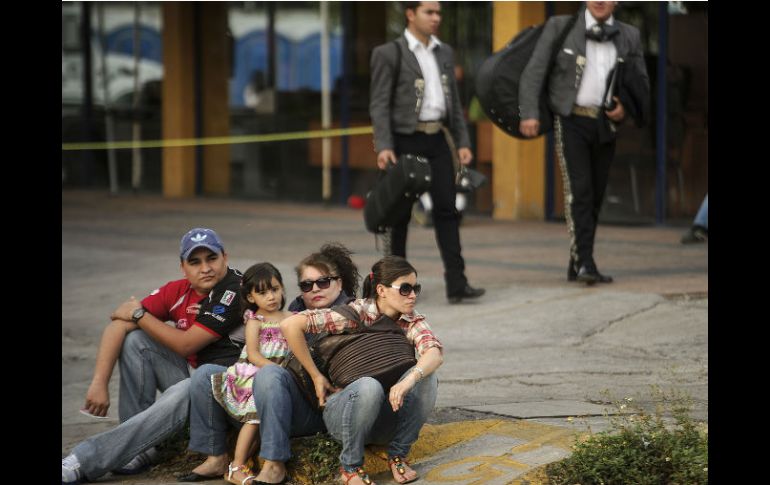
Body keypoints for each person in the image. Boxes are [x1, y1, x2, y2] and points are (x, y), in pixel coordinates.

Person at [62, 228, 244, 485]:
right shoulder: (177, 291)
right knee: (136, 340)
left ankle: (84, 459)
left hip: (230, 393)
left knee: (185, 385)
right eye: (195, 262)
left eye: (211, 259)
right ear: (183, 267)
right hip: (197, 384)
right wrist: (99, 383)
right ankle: (138, 453)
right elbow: (118, 323)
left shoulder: (234, 290)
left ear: (225, 257)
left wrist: (138, 315)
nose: (205, 268)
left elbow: (185, 345)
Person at [180, 242, 360, 483]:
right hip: (267, 397)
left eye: (323, 282)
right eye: (307, 285)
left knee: (269, 376)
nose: (315, 289)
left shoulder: (348, 314)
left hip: (311, 405)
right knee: (205, 375)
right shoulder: (295, 312)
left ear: (339, 283)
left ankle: (274, 463)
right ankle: (216, 457)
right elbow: (254, 349)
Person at [280, 255, 442, 485]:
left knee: (426, 376)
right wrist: (316, 375)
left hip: (387, 417)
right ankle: (350, 468)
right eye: (405, 288)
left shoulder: (412, 321)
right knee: (369, 385)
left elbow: (434, 353)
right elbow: (290, 325)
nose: (413, 295)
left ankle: (398, 454)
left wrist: (408, 381)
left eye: (416, 288)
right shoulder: (354, 314)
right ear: (382, 290)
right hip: (345, 415)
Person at [519, 1, 649, 285]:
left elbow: (639, 81)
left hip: (605, 123)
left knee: (596, 195)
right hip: (570, 120)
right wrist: (529, 113)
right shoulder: (560, 27)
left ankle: (577, 260)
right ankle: (586, 264)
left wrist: (624, 107)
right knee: (580, 191)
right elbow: (534, 72)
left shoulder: (629, 35)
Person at [369, 1, 485, 304]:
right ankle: (394, 287)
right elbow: (379, 104)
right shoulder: (389, 53)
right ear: (411, 14)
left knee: (448, 210)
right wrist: (384, 146)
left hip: (437, 140)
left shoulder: (444, 51)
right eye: (429, 12)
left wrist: (462, 142)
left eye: (438, 13)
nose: (436, 18)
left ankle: (457, 283)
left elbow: (453, 103)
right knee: (399, 217)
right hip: (404, 142)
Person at [211, 263, 293, 485]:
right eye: (263, 292)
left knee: (263, 419)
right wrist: (274, 369)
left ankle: (244, 462)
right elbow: (254, 355)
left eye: (275, 289)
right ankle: (236, 465)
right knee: (254, 418)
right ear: (250, 296)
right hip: (253, 374)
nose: (271, 297)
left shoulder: (291, 317)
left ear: (283, 288)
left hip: (278, 378)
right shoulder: (255, 321)